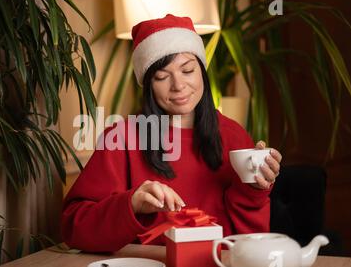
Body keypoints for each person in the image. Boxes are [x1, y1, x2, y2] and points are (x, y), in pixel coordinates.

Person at [61, 14, 282, 252]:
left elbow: (253, 241)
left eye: (187, 70)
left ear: (202, 72)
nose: (178, 85)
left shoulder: (233, 135)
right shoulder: (122, 138)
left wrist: (255, 188)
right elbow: (73, 228)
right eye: (162, 76)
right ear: (148, 85)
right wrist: (131, 203)